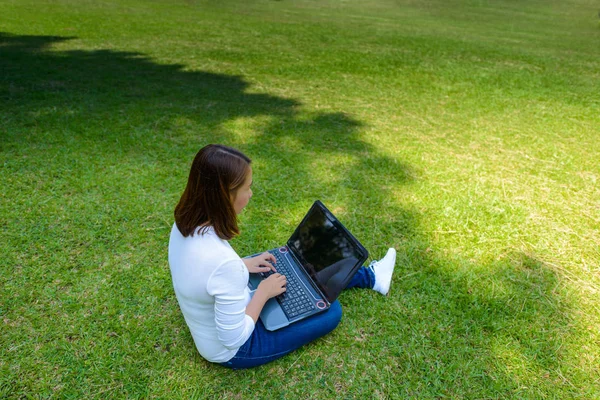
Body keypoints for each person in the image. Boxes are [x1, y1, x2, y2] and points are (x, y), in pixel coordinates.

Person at [168, 144, 397, 369]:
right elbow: (233, 339)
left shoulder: (184, 225)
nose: (251, 194)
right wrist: (262, 293)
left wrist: (244, 265)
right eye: (247, 188)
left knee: (301, 271)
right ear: (224, 196)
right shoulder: (224, 265)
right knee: (332, 311)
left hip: (216, 317)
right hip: (233, 350)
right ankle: (372, 278)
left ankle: (372, 278)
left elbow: (209, 273)